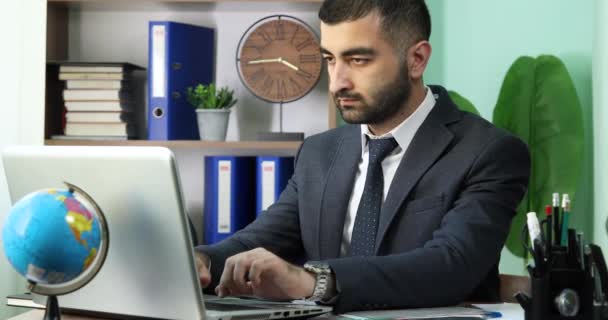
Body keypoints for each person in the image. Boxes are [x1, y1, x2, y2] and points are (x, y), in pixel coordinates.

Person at [195, 0, 531, 313]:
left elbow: (451, 265)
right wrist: (200, 262)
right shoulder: (318, 152)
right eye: (330, 59)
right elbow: (261, 239)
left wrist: (314, 282)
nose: (337, 82)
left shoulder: (489, 152)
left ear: (416, 60)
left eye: (358, 60)